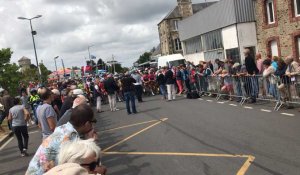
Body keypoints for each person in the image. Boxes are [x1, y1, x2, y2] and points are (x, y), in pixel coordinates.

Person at [26, 104, 98, 175]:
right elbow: (78, 168)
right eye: (92, 123)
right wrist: (91, 141)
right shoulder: (72, 138)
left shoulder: (63, 128)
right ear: (87, 124)